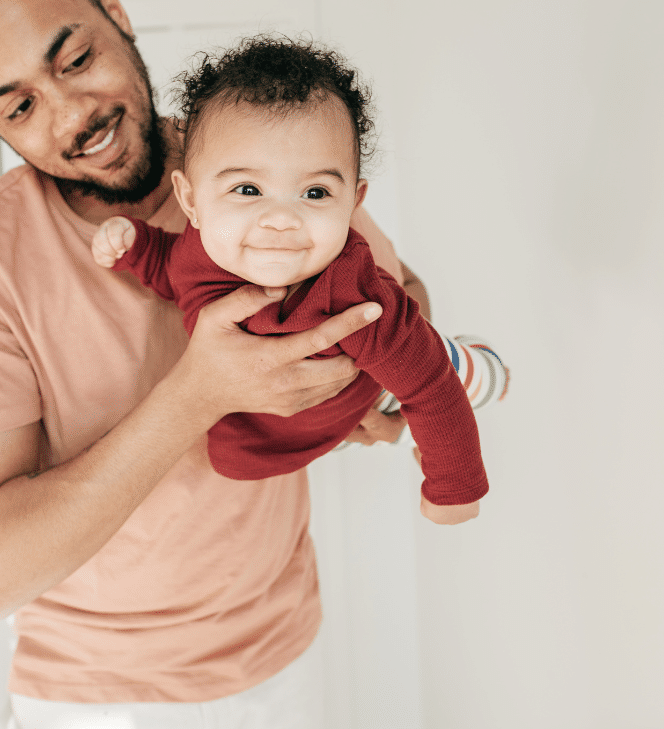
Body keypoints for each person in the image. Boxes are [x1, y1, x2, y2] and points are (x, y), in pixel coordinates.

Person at [0, 0, 469, 726]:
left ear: (114, 8)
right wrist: (199, 392)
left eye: (75, 60)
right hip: (87, 696)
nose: (74, 114)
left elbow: (397, 302)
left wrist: (359, 384)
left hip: (279, 659)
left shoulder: (254, 160)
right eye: (21, 106)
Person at [91, 35, 488, 523]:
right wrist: (134, 245)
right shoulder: (200, 251)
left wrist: (454, 489)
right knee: (236, 457)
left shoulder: (351, 293)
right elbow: (171, 270)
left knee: (456, 373)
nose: (281, 219)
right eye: (248, 189)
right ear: (191, 201)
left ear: (354, 202)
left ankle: (483, 365)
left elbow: (431, 387)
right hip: (300, 426)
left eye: (315, 192)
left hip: (369, 389)